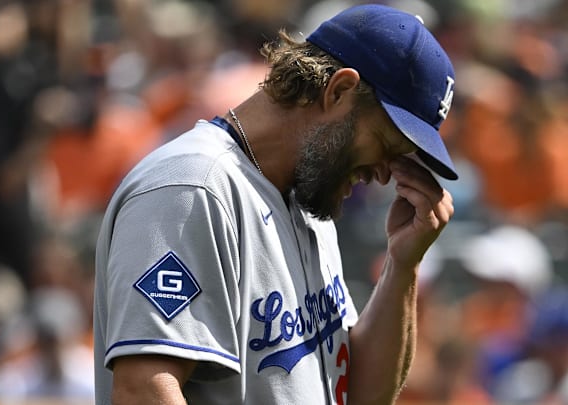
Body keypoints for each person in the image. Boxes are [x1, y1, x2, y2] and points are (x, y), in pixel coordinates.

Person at [94, 4, 457, 404]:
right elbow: (142, 390)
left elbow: (362, 397)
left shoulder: (308, 199)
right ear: (338, 91)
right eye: (387, 145)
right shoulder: (193, 188)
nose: (386, 175)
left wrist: (402, 265)